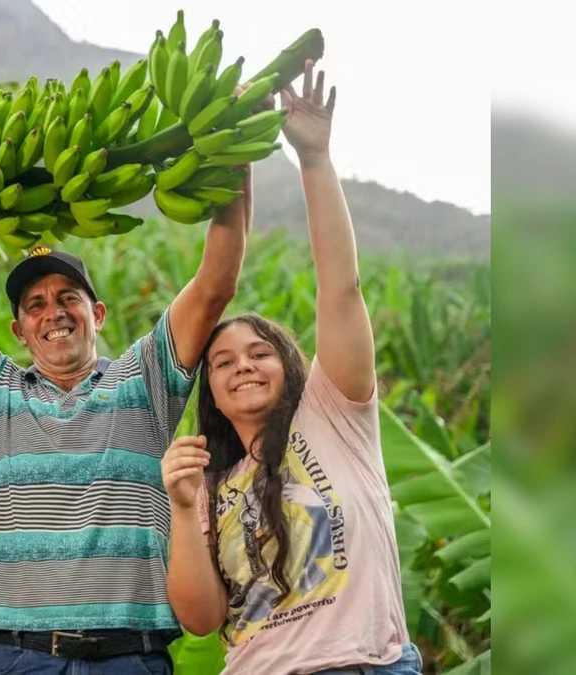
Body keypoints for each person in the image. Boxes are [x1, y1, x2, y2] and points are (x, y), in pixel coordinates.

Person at [0, 98, 253, 673]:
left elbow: (215, 284)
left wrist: (234, 152)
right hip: (22, 655)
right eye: (36, 304)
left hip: (130, 657)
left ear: (96, 313)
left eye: (68, 298)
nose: (53, 313)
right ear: (19, 329)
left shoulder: (144, 381)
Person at [160, 61, 423, 675]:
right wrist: (179, 506)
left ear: (290, 366)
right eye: (222, 362)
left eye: (259, 352)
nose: (243, 366)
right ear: (214, 398)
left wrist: (314, 159)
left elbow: (342, 290)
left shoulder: (336, 417)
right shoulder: (211, 483)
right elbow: (200, 620)